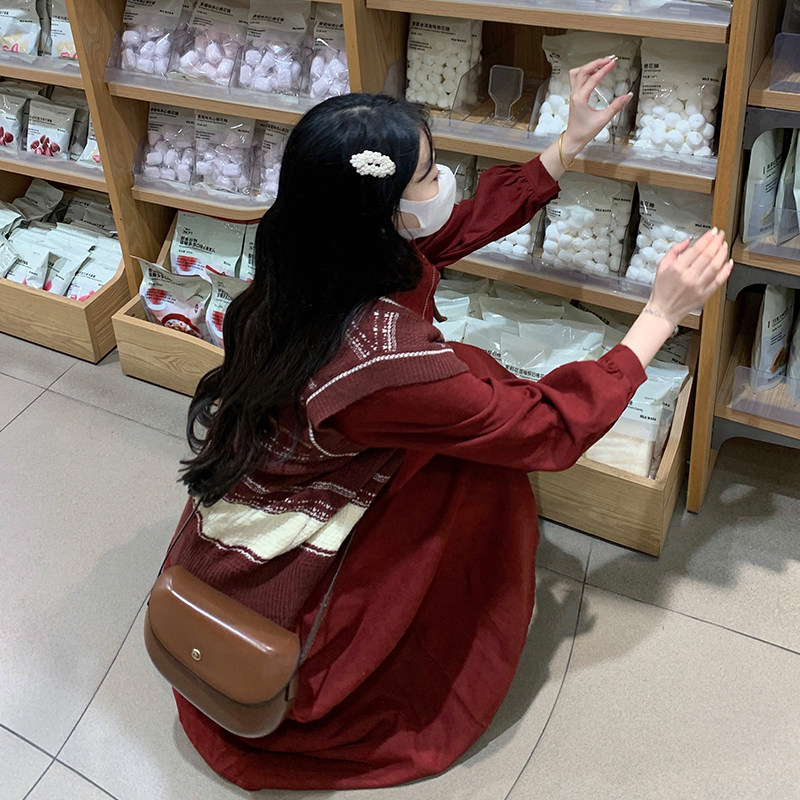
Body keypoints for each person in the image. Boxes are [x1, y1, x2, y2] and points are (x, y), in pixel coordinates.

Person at [165, 57, 731, 791]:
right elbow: (544, 428)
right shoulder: (385, 363)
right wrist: (658, 316)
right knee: (482, 486)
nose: (445, 185)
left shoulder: (312, 256)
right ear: (383, 212)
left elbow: (448, 232)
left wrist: (568, 144)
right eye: (429, 176)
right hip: (315, 521)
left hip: (296, 461)